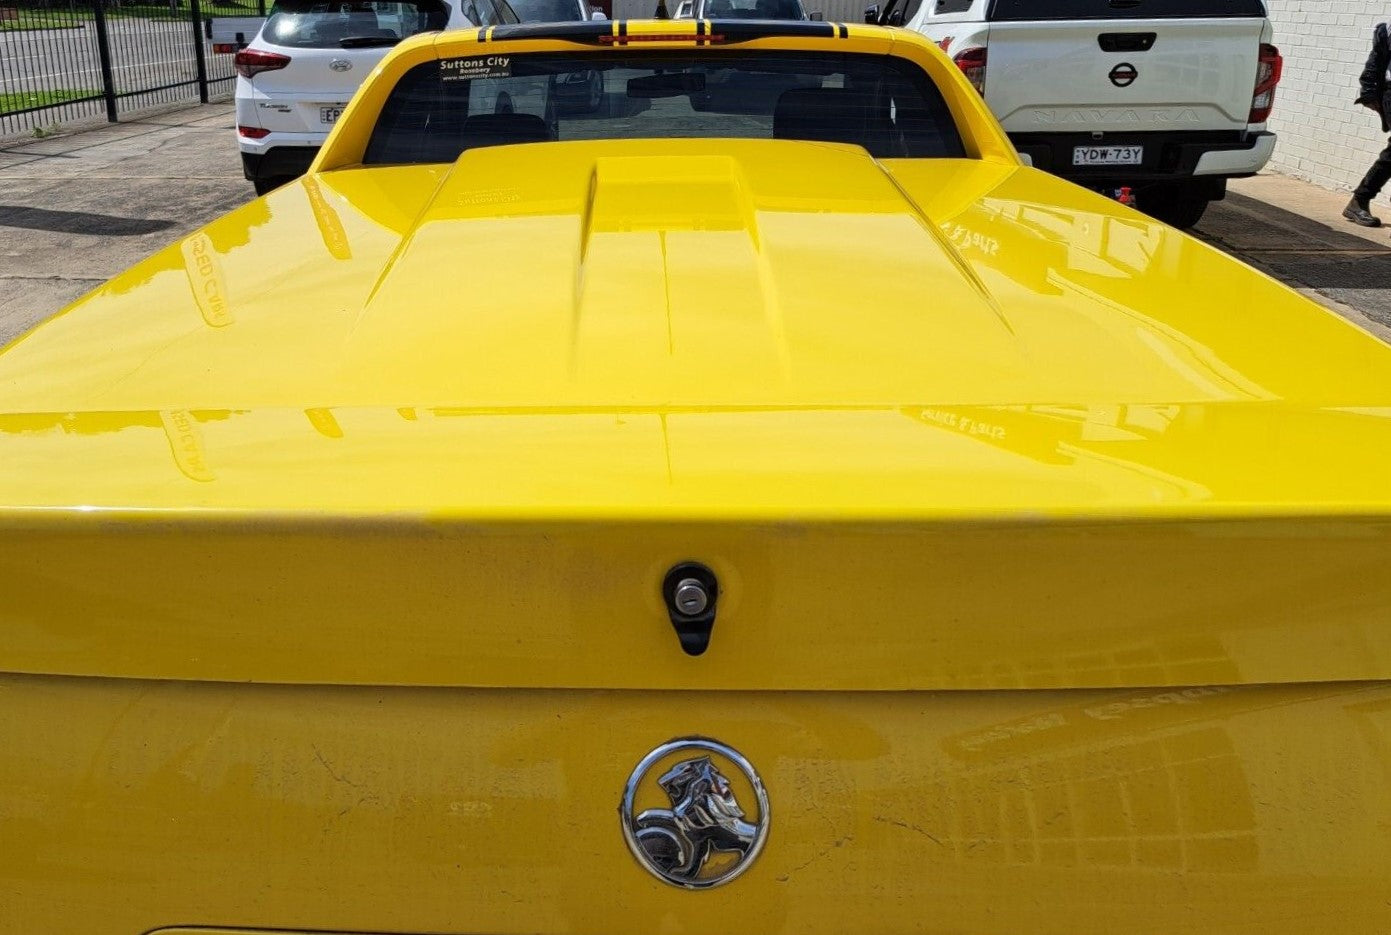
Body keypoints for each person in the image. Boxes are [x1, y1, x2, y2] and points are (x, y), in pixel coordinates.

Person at [1348, 20, 1391, 227]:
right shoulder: (1388, 29)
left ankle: (1359, 201)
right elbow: (1375, 61)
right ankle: (1359, 200)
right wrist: (1368, 92)